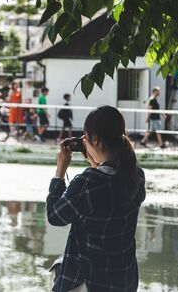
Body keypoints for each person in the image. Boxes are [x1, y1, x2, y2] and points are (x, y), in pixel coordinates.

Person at [47, 105, 146, 292]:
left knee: (59, 268)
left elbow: (55, 216)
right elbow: (107, 185)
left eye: (86, 138)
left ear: (95, 139)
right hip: (124, 281)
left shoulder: (87, 183)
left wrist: (60, 171)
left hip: (92, 284)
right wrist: (96, 164)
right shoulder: (136, 176)